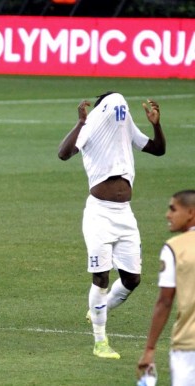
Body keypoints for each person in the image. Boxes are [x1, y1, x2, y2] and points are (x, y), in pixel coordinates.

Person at [57, 91, 166, 359]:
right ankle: (100, 342)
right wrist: (82, 122)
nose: (120, 110)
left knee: (132, 279)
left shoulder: (124, 127)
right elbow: (63, 153)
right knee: (101, 276)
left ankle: (99, 307)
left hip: (125, 214)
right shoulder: (92, 128)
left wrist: (155, 124)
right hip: (99, 215)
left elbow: (158, 149)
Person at [137, 190, 195, 385]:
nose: (167, 215)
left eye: (173, 209)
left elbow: (165, 301)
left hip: (189, 345)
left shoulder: (175, 247)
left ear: (191, 213)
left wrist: (150, 349)